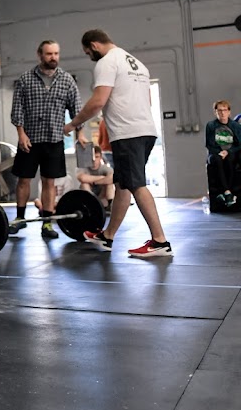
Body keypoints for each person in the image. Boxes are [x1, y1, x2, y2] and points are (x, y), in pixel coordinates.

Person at [65, 29, 172, 257]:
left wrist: (73, 124)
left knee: (135, 184)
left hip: (128, 133)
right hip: (145, 130)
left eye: (87, 53)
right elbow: (147, 100)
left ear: (94, 45)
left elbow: (97, 102)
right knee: (123, 184)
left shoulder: (107, 62)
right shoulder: (137, 64)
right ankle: (108, 235)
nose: (89, 57)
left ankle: (160, 241)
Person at [9, 40, 86, 240]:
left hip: (54, 140)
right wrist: (21, 134)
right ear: (40, 55)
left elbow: (77, 109)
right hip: (30, 139)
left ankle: (47, 223)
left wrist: (81, 133)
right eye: (49, 53)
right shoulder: (26, 79)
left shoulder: (67, 80)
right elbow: (17, 109)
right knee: (23, 180)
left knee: (49, 182)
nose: (53, 57)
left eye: (56, 53)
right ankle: (19, 219)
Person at [205, 100, 241, 207]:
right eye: (219, 110)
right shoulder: (211, 125)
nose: (222, 113)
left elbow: (239, 144)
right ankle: (227, 192)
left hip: (230, 152)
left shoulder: (235, 126)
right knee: (217, 160)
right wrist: (219, 152)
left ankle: (226, 192)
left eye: (225, 110)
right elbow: (209, 144)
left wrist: (228, 151)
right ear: (215, 112)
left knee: (230, 160)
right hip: (215, 153)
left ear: (229, 112)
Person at [76, 144, 115, 210]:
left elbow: (113, 178)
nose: (94, 160)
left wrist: (95, 182)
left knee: (109, 184)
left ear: (100, 157)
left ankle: (110, 205)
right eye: (92, 157)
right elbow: (82, 178)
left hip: (102, 196)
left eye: (97, 157)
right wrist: (103, 178)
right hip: (89, 197)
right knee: (84, 184)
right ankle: (90, 205)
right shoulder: (83, 167)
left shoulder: (105, 168)